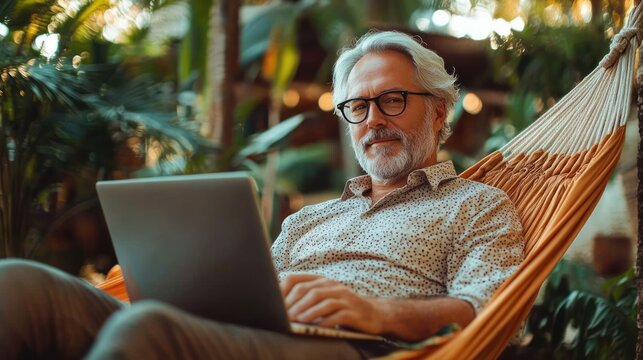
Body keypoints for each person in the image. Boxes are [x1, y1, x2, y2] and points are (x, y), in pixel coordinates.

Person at [0, 30, 523, 359]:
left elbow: (492, 307)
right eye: (357, 107)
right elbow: (252, 294)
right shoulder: (306, 221)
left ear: (438, 111)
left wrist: (376, 312)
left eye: (392, 99)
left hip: (353, 348)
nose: (374, 121)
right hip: (245, 336)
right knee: (20, 285)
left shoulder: (476, 206)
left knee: (149, 331)